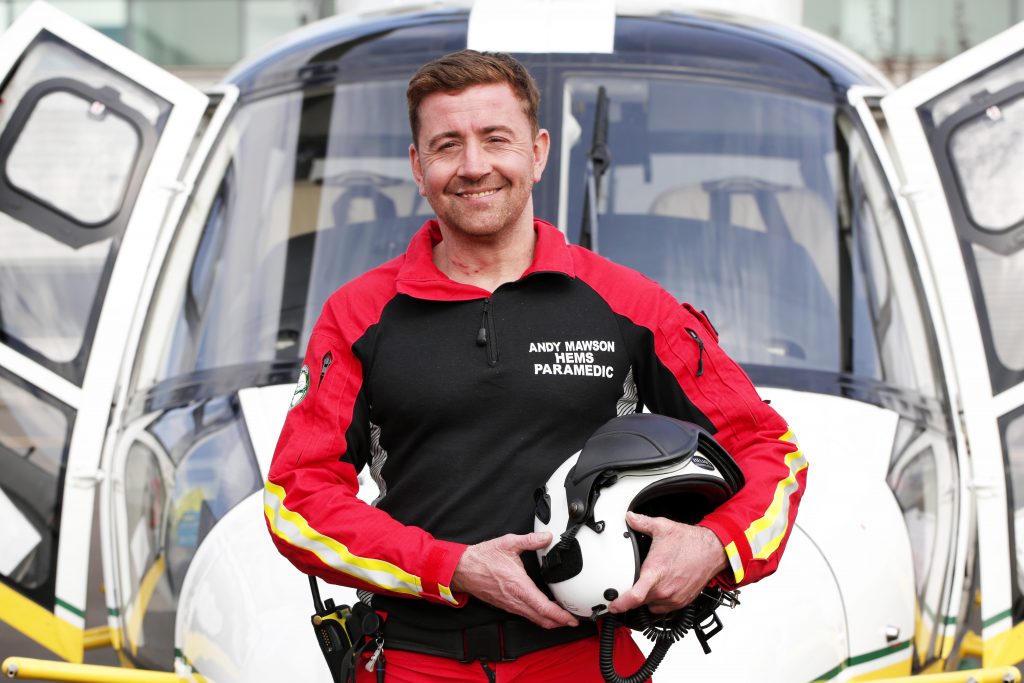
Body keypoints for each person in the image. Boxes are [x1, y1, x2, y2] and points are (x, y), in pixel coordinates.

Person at [264, 49, 807, 682]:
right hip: (413, 660)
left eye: (497, 139)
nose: (474, 166)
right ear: (417, 166)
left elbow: (769, 449)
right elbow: (295, 498)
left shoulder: (630, 304)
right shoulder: (358, 315)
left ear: (539, 151)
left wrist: (712, 546)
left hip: (587, 661)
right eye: (447, 145)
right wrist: (449, 566)